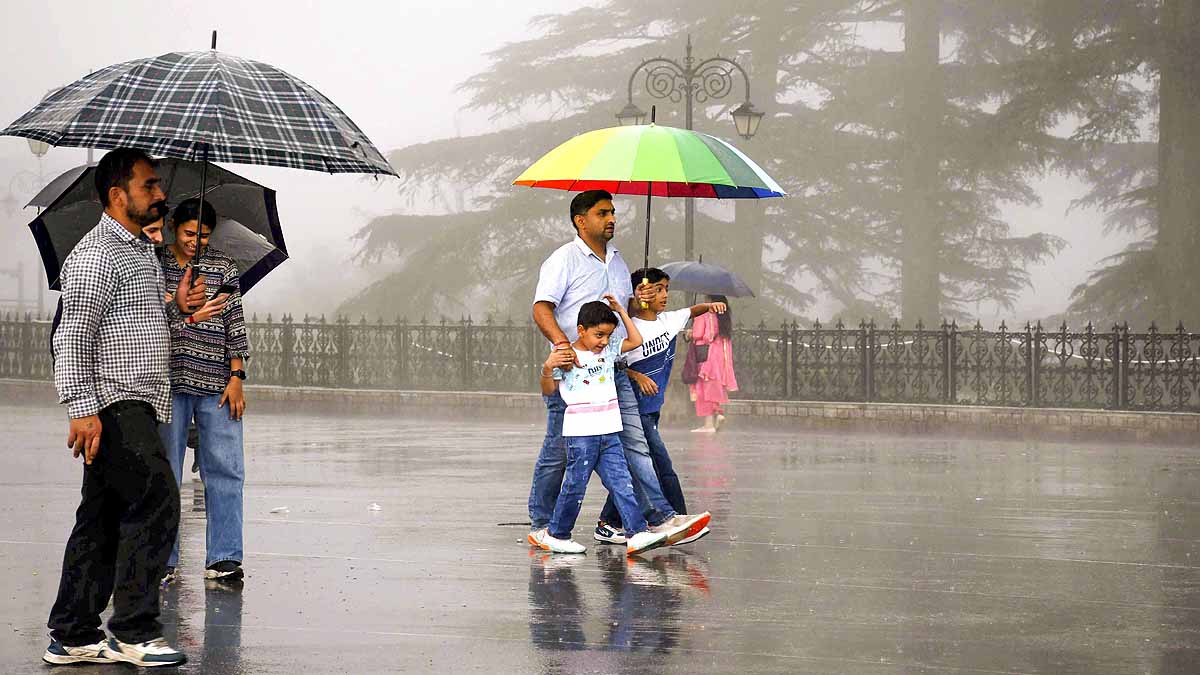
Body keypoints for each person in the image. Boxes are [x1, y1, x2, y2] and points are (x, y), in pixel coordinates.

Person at [43, 148, 220, 668]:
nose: (161, 194)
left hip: (138, 398)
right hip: (114, 404)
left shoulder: (139, 252)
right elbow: (73, 337)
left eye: (158, 184)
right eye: (149, 186)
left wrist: (178, 310)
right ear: (117, 195)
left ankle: (73, 633)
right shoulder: (96, 255)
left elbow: (132, 329)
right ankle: (134, 630)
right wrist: (81, 407)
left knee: (100, 519)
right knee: (158, 499)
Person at [528, 190, 708, 549]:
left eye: (613, 212)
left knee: (633, 442)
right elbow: (542, 308)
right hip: (575, 373)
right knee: (559, 452)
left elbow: (625, 314)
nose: (611, 219)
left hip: (615, 370)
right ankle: (543, 523)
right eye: (602, 213)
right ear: (580, 220)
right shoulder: (563, 260)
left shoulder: (619, 261)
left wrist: (642, 303)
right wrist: (563, 347)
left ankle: (658, 517)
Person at [596, 267, 725, 544]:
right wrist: (636, 375)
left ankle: (609, 521)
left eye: (666, 289)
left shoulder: (670, 320)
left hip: (652, 407)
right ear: (641, 293)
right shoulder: (628, 329)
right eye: (656, 289)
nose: (664, 295)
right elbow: (611, 364)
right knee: (658, 463)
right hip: (632, 407)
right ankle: (673, 516)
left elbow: (692, 310)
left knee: (640, 465)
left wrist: (710, 306)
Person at [534, 298, 672, 556]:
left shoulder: (609, 352)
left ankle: (637, 532)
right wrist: (547, 368)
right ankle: (557, 534)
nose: (604, 342)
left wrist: (621, 311)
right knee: (575, 485)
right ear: (581, 329)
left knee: (622, 482)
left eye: (608, 335)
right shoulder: (567, 356)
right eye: (599, 335)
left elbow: (636, 341)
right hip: (581, 435)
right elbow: (549, 389)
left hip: (609, 432)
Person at [157, 198, 249, 584]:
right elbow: (146, 317)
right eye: (190, 233)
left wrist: (237, 377)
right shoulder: (154, 263)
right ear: (173, 226)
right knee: (164, 472)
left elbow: (235, 322)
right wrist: (175, 302)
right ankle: (162, 558)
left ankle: (224, 558)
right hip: (167, 384)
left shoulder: (224, 267)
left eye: (205, 235)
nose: (196, 242)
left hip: (216, 385)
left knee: (226, 469)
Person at [690, 294, 739, 432]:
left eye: (707, 299)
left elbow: (698, 334)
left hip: (706, 355)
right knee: (715, 387)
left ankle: (708, 424)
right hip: (720, 356)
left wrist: (691, 330)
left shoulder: (704, 314)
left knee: (703, 388)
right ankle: (718, 413)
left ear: (711, 301)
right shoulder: (723, 316)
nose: (705, 301)